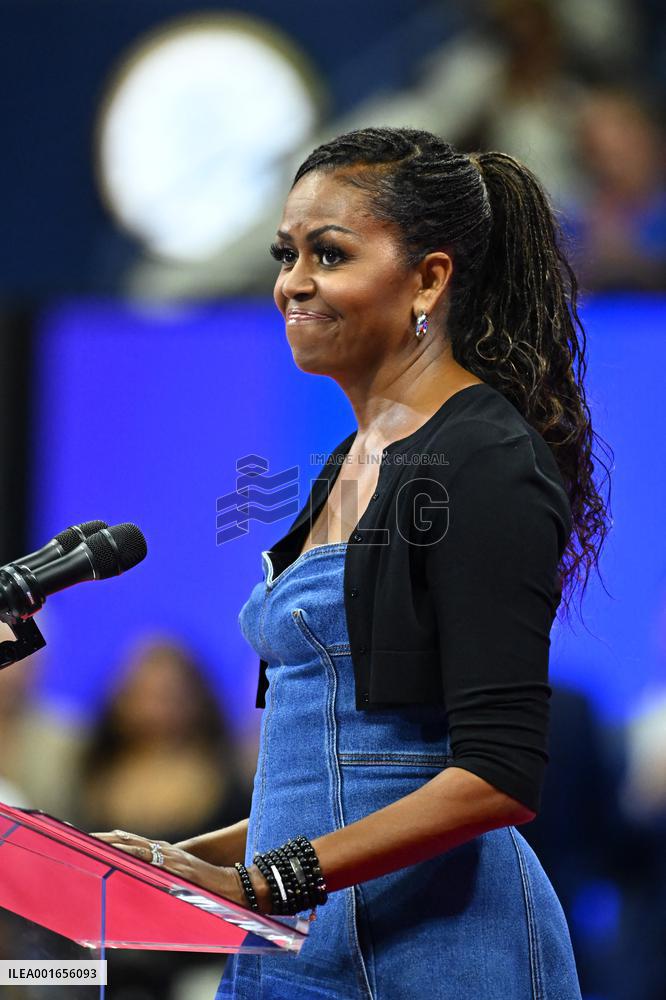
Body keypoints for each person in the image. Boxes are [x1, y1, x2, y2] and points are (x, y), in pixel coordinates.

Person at [93, 126, 611, 999]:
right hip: (299, 938)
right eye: (286, 254)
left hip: (440, 947)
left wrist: (260, 884)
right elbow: (340, 769)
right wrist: (186, 862)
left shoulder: (488, 457)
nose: (292, 282)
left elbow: (496, 776)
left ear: (429, 279)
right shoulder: (345, 462)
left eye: (328, 255)